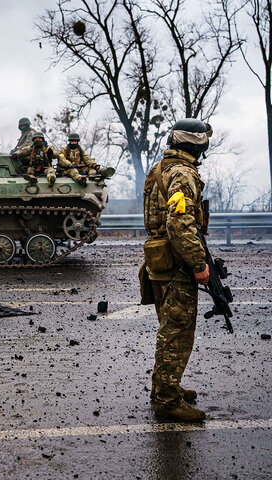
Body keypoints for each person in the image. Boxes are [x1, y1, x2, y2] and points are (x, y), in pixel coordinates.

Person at [142, 118, 213, 422]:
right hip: (177, 264)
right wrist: (198, 264)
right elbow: (179, 223)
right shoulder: (183, 174)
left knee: (169, 328)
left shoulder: (161, 168)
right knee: (177, 332)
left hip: (160, 260)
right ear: (197, 144)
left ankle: (166, 387)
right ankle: (167, 401)